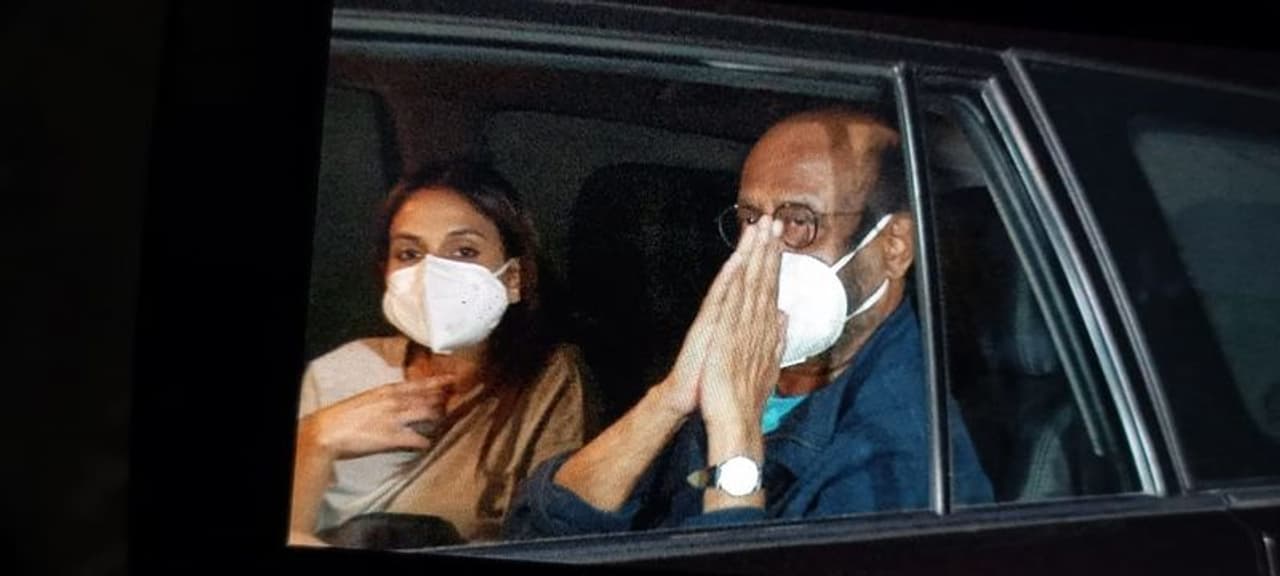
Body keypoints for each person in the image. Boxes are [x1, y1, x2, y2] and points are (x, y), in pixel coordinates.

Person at [504, 109, 991, 538]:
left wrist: (735, 440)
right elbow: (536, 531)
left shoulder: (909, 462)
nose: (763, 251)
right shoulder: (751, 364)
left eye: (799, 221)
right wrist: (670, 399)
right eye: (751, 219)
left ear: (894, 246)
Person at [289, 160, 592, 547]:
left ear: (512, 278)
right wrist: (317, 439)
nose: (432, 274)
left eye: (464, 251)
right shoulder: (337, 371)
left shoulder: (547, 377)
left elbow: (552, 530)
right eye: (409, 254)